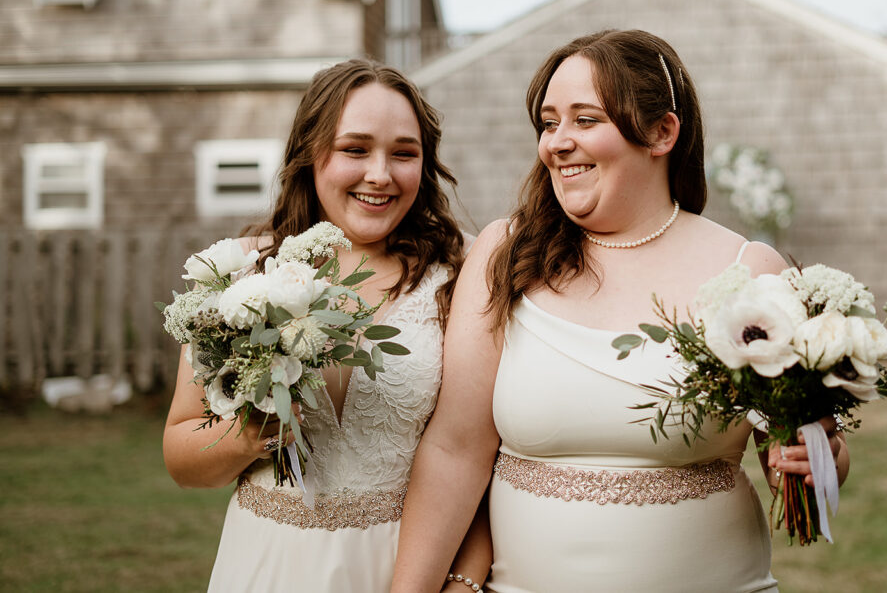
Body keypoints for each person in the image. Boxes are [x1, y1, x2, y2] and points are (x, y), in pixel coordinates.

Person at [390, 30, 849, 592]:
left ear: (661, 132)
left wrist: (816, 462)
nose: (557, 142)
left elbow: (800, 472)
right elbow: (455, 450)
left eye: (585, 120)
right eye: (548, 122)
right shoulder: (505, 255)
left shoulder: (749, 270)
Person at [163, 59, 478, 592]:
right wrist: (246, 436)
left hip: (404, 565)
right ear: (310, 154)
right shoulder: (240, 276)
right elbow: (181, 456)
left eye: (404, 153)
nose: (380, 174)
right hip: (269, 563)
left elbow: (480, 459)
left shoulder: (461, 278)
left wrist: (460, 583)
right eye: (355, 149)